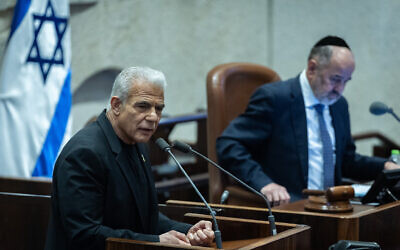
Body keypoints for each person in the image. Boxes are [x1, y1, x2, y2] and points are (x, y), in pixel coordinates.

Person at [45, 67, 215, 250]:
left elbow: (146, 216)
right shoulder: (84, 154)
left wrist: (187, 231)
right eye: (143, 106)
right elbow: (85, 234)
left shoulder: (138, 144)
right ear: (117, 105)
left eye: (159, 108)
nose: (153, 117)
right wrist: (155, 242)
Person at [216, 36, 399, 205]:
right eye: (335, 79)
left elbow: (346, 162)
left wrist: (385, 167)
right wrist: (265, 184)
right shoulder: (275, 98)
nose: (340, 89)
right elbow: (230, 144)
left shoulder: (339, 105)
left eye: (346, 81)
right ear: (312, 68)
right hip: (292, 207)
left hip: (333, 207)